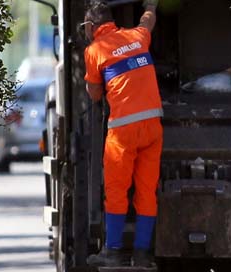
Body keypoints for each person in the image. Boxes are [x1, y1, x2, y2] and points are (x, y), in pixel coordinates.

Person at [82, 0, 163, 268]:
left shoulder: (95, 49)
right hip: (153, 125)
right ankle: (142, 254)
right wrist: (151, 4)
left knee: (117, 191)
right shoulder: (137, 35)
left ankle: (114, 251)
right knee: (146, 192)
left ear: (92, 26)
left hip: (124, 130)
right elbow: (147, 20)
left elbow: (94, 95)